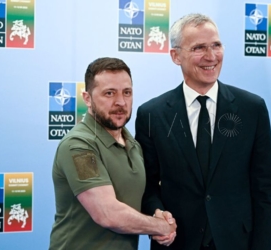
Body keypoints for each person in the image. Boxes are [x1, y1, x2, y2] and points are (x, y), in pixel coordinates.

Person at [135, 13, 271, 250]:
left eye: (216, 45)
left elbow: (266, 190)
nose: (211, 56)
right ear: (175, 55)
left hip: (237, 242)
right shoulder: (152, 113)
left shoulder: (252, 108)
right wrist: (157, 214)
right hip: (177, 242)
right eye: (199, 48)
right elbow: (147, 186)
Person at [49, 57, 176, 250]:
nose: (120, 102)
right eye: (109, 93)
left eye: (127, 93)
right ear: (87, 98)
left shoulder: (133, 144)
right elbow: (107, 213)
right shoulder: (78, 146)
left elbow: (134, 199)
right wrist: (159, 226)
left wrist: (157, 213)